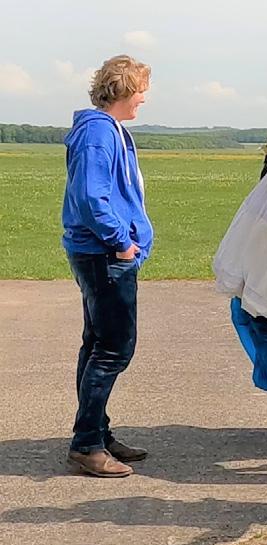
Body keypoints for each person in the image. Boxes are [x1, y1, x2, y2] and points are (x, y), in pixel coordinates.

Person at [61, 55, 153, 477]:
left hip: (101, 253)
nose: (143, 100)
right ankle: (87, 445)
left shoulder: (105, 129)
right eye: (141, 91)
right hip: (104, 255)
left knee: (98, 343)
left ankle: (97, 433)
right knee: (114, 348)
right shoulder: (98, 133)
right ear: (125, 90)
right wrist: (122, 243)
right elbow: (90, 196)